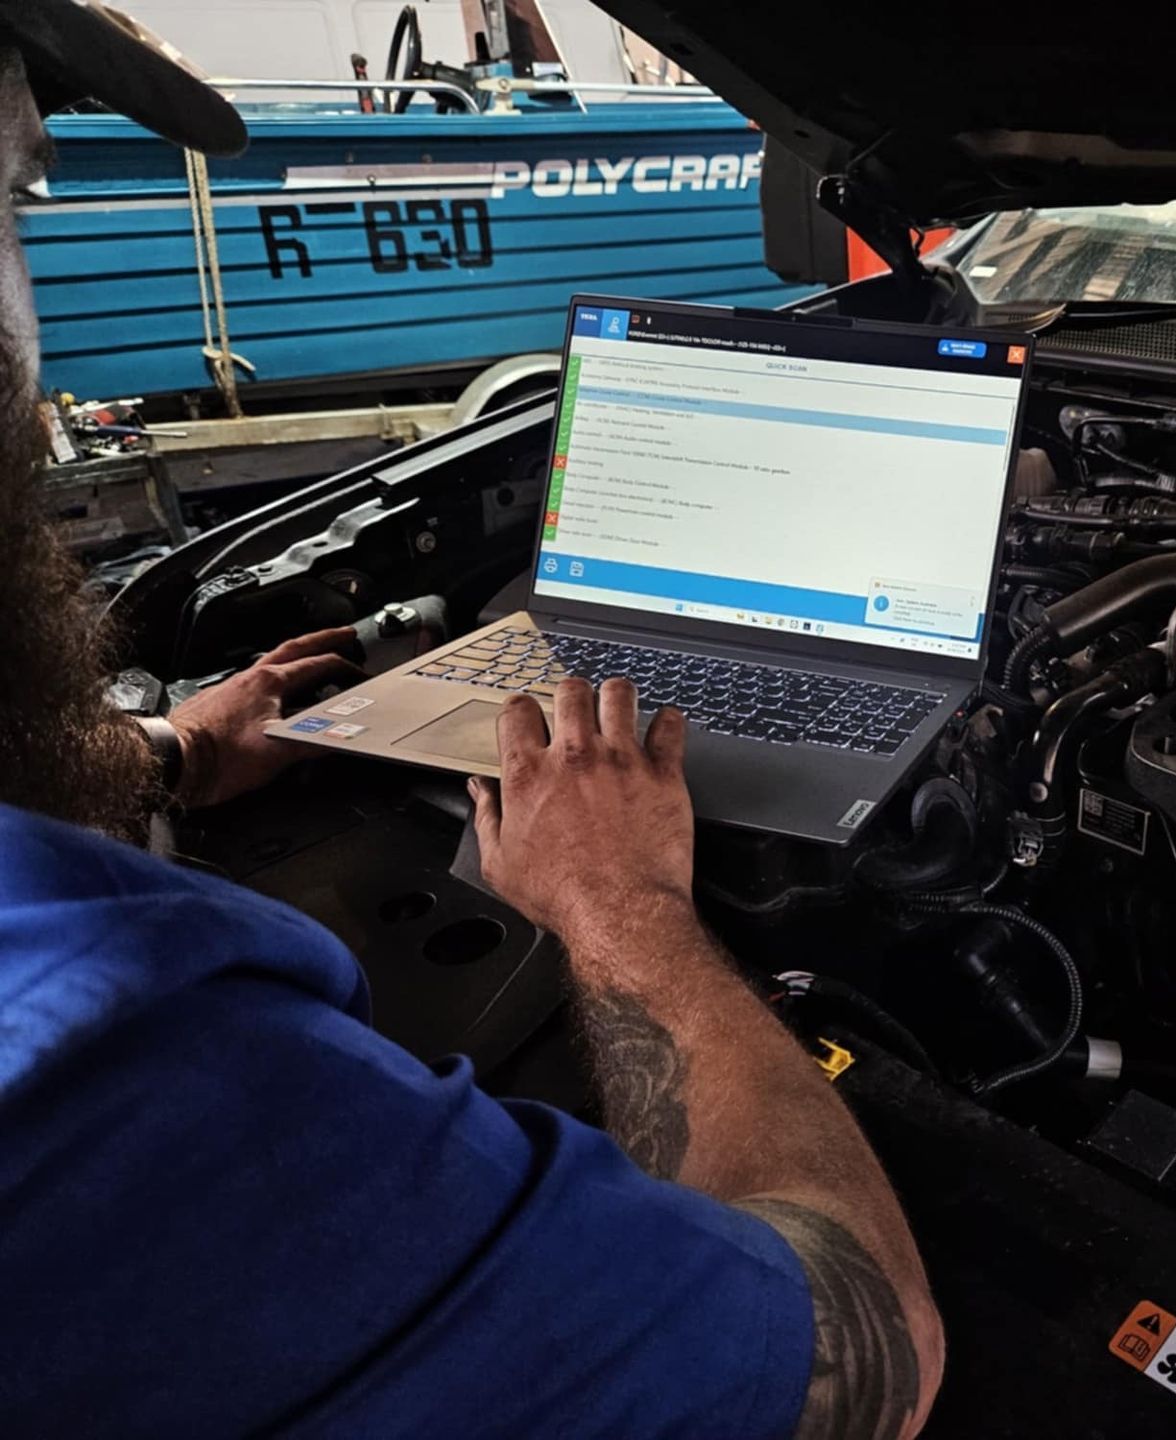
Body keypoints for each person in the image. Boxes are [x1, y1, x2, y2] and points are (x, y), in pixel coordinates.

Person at [0, 4, 942, 1436]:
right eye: (14, 201)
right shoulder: (116, 1090)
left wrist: (165, 756)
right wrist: (620, 901)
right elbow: (865, 1358)